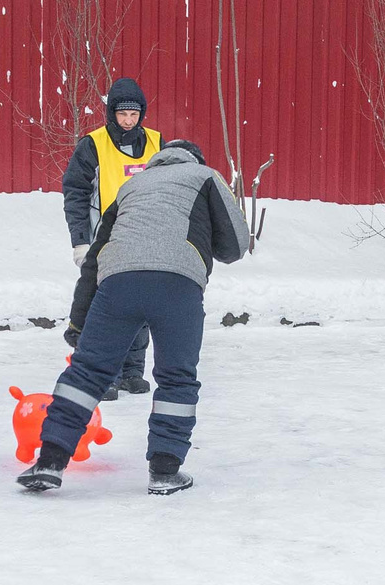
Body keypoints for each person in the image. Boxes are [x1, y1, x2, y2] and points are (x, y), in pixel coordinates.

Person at [20, 140, 248, 496]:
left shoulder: (132, 186)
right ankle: (164, 471)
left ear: (158, 161)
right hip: (178, 285)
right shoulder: (206, 176)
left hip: (118, 284)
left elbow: (95, 256)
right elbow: (235, 245)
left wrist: (79, 323)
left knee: (87, 372)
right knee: (176, 378)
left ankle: (50, 462)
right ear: (196, 160)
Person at [61, 77, 163, 397]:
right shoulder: (92, 145)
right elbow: (76, 193)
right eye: (122, 115)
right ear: (112, 114)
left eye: (134, 115)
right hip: (105, 242)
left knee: (141, 309)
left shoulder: (158, 143)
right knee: (105, 310)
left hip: (146, 240)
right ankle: (106, 374)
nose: (128, 121)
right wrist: (80, 241)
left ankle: (132, 372)